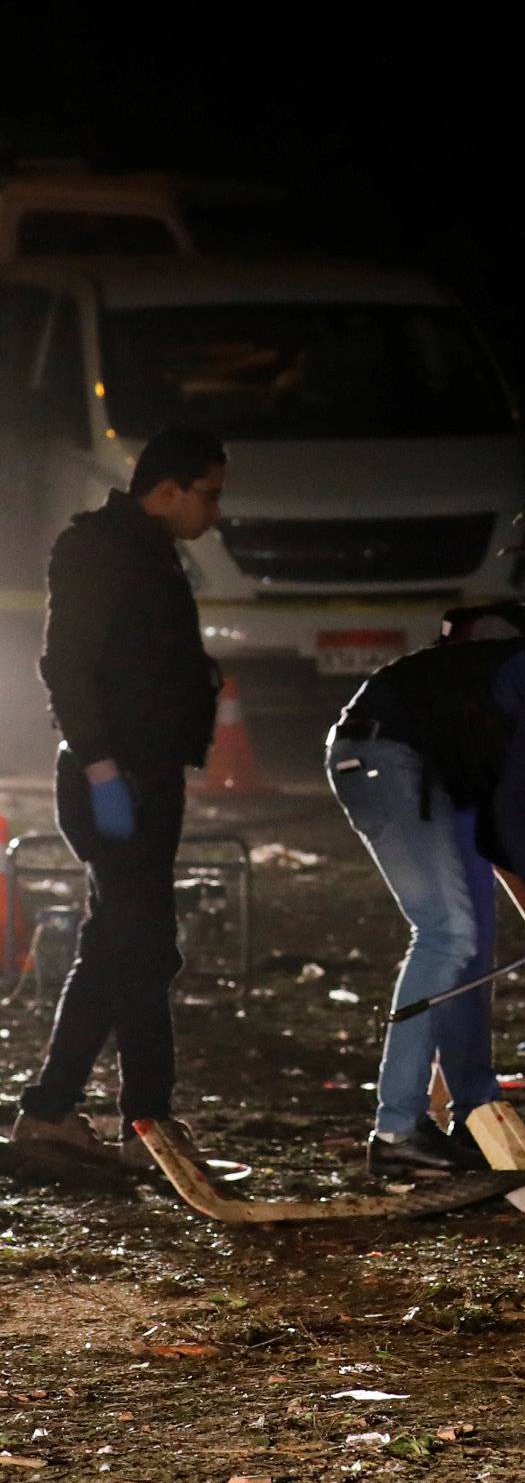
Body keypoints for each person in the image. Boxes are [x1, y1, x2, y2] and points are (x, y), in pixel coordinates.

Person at [327, 572, 525, 1175]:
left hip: (425, 764)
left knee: (466, 950)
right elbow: (516, 806)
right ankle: (396, 1132)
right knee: (447, 935)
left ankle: (477, 1118)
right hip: (387, 754)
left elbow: (505, 812)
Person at [11, 425, 227, 1177]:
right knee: (141, 947)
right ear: (166, 490)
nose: (215, 511)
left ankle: (55, 1112)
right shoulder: (102, 548)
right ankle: (146, 1119)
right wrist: (101, 765)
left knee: (119, 945)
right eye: (210, 492)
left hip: (142, 773)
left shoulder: (147, 550)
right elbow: (65, 661)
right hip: (118, 775)